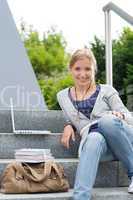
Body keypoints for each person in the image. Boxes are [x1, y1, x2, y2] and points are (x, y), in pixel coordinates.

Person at [56, 48, 133, 200]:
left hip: (122, 138)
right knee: (94, 137)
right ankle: (80, 197)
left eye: (87, 69)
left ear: (94, 70)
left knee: (106, 121)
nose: (83, 74)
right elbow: (69, 117)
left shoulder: (107, 90)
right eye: (78, 68)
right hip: (98, 147)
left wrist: (120, 115)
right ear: (71, 69)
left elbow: (129, 117)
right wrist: (68, 125)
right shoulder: (62, 96)